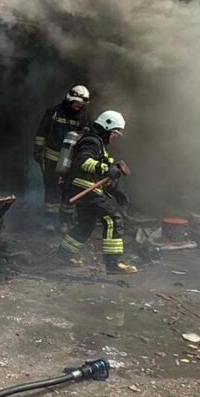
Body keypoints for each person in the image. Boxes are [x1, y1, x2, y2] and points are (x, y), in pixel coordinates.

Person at [56, 109, 138, 274]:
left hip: (82, 188)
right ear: (107, 127)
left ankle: (62, 255)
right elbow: (83, 162)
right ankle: (112, 264)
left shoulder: (98, 144)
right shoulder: (93, 141)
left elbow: (100, 175)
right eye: (115, 133)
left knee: (85, 225)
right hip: (84, 189)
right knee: (113, 219)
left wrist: (116, 192)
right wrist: (107, 168)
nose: (115, 137)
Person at [34, 85, 91, 229]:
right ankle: (50, 222)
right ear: (70, 99)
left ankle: (65, 222)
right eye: (77, 103)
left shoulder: (84, 117)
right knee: (52, 188)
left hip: (72, 160)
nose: (79, 106)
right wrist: (38, 149)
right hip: (52, 158)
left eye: (82, 104)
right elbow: (42, 132)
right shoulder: (53, 113)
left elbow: (86, 137)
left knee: (69, 189)